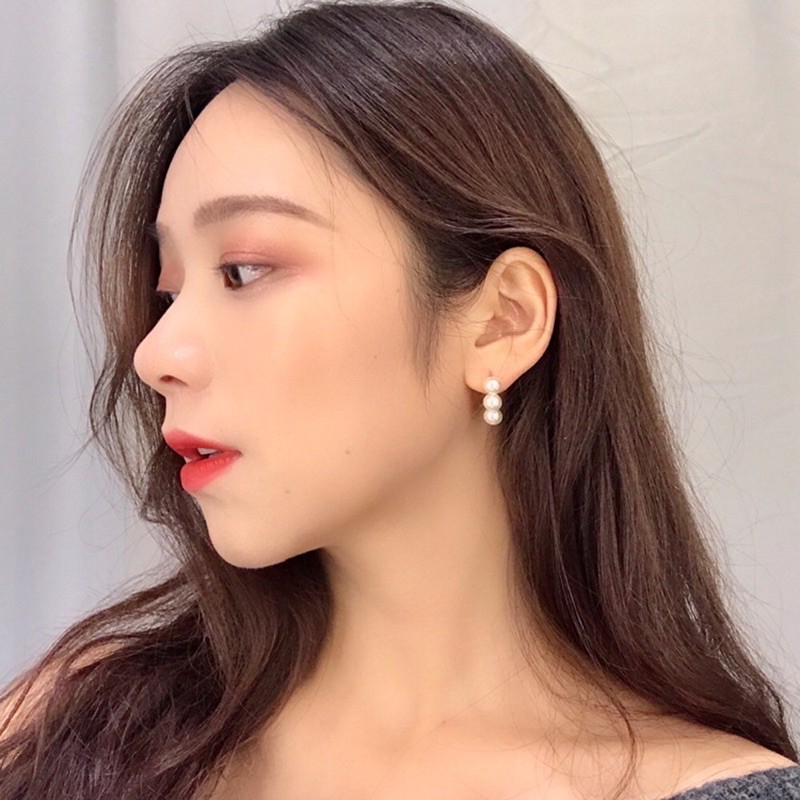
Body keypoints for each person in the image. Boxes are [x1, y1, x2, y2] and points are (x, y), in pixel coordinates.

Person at [1, 1, 797, 798]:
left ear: (503, 321)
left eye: (243, 270)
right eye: (168, 293)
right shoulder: (66, 734)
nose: (154, 354)